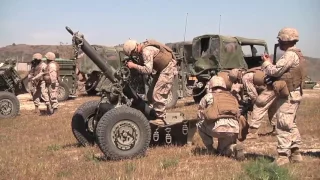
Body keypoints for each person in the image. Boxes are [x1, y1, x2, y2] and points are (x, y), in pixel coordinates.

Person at [261, 27, 306, 166]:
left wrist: (266, 63)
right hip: (294, 93)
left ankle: (283, 157)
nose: (278, 41)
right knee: (290, 123)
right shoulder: (298, 54)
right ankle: (296, 153)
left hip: (288, 95)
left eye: (280, 39)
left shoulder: (289, 55)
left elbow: (275, 71)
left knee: (282, 124)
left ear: (285, 40)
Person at [122, 39, 177, 125]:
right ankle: (154, 113)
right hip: (162, 69)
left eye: (132, 54)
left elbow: (148, 70)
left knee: (157, 94)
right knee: (150, 95)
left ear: (134, 50)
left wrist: (133, 65)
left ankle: (160, 119)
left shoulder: (146, 51)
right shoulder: (141, 51)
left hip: (168, 69)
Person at [196, 76, 245, 160]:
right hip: (234, 128)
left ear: (211, 86)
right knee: (222, 151)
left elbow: (199, 114)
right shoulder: (232, 97)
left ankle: (210, 149)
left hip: (217, 128)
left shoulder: (208, 96)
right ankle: (234, 147)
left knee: (199, 124)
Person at [228, 68, 277, 138]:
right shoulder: (250, 72)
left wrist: (254, 103)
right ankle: (276, 129)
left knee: (259, 104)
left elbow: (252, 93)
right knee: (272, 107)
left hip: (270, 88)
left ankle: (253, 132)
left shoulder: (245, 78)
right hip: (275, 87)